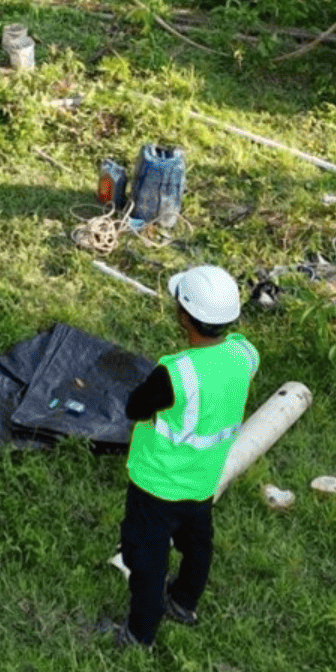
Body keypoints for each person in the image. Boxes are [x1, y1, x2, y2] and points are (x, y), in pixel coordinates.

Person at [113, 265, 260, 648]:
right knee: (197, 544)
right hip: (203, 479)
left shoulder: (176, 374)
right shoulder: (245, 353)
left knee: (146, 558)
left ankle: (139, 634)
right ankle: (183, 602)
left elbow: (134, 408)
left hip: (157, 484)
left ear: (184, 316)